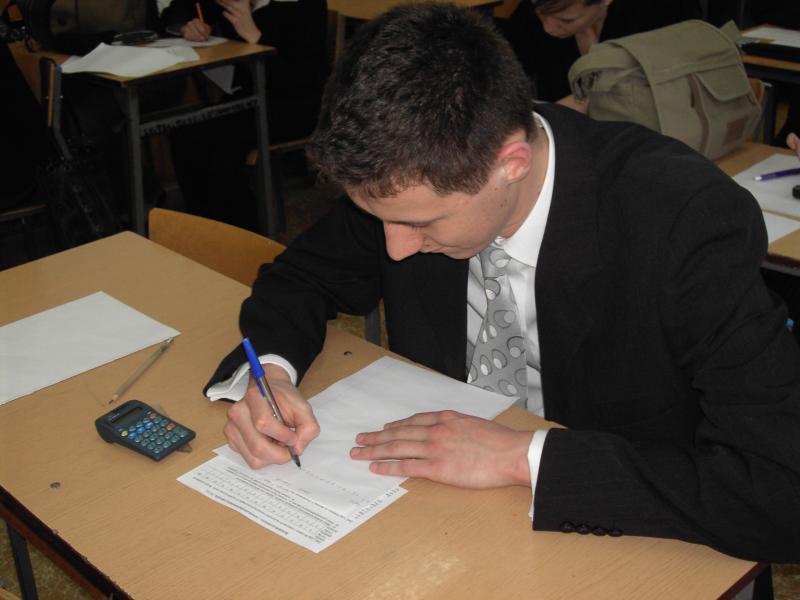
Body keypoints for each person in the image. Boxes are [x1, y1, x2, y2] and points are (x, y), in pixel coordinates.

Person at [206, 3, 800, 563]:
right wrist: (271, 375)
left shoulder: (683, 224)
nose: (396, 248)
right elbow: (301, 276)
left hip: (617, 535)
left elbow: (781, 491)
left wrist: (523, 456)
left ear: (510, 164)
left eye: (422, 224)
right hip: (434, 519)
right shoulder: (408, 179)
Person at [159, 0, 329, 228]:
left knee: (224, 150)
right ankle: (204, 229)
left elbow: (301, 80)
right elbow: (175, 11)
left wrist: (255, 36)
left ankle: (244, 235)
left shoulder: (304, 6)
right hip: (249, 97)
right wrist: (186, 26)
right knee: (186, 134)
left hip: (298, 104)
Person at [497, 0, 700, 110]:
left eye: (567, 20)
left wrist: (580, 103)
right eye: (541, 15)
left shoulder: (655, 13)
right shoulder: (538, 12)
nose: (548, 28)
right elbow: (506, 65)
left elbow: (665, 88)